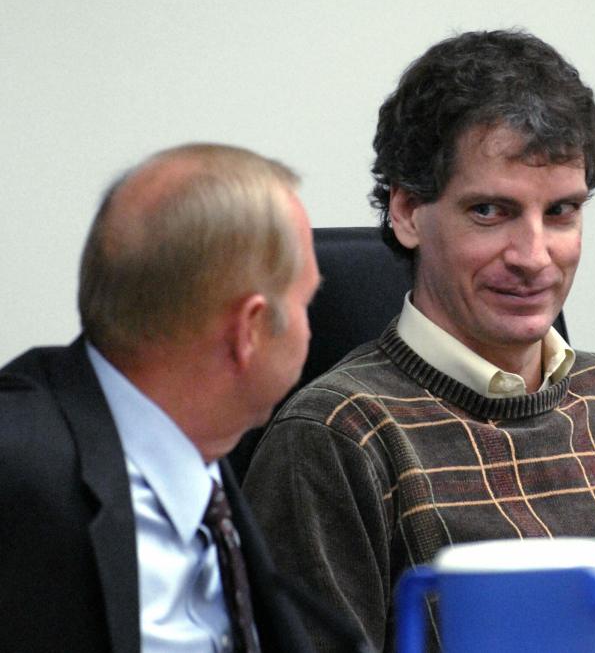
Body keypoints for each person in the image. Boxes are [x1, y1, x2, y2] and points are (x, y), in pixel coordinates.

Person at [243, 31, 595, 652]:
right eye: (490, 212)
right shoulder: (335, 439)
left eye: (561, 212)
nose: (534, 257)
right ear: (407, 211)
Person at [0, 144, 361, 652]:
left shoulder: (209, 461)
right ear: (250, 330)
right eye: (306, 302)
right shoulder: (19, 467)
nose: (309, 327)